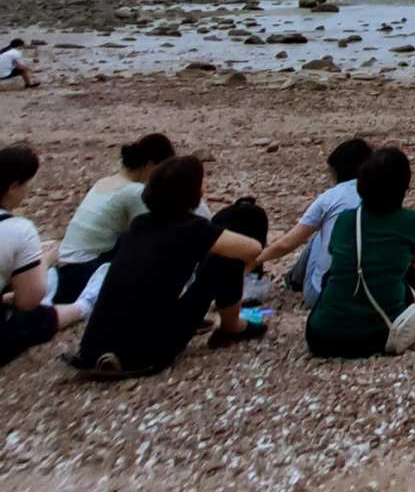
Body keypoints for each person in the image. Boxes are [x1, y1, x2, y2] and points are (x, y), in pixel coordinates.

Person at [69, 156, 267, 378]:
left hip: (92, 349)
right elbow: (251, 249)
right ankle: (232, 327)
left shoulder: (139, 224)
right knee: (223, 260)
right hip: (146, 353)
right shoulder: (193, 229)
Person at [305, 146, 415, 358]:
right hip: (380, 335)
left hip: (322, 337)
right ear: (405, 187)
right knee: (410, 267)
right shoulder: (411, 220)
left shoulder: (347, 219)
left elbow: (334, 253)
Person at [51, 133, 176, 304]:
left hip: (67, 266)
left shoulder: (105, 181)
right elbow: (152, 234)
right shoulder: (134, 191)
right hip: (85, 272)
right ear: (150, 166)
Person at [259, 137, 373, 305]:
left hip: (324, 296)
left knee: (321, 232)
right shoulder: (381, 195)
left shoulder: (331, 197)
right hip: (373, 293)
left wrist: (256, 259)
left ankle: (293, 279)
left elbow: (287, 244)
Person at [2, 145, 86, 366]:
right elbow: (29, 301)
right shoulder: (18, 228)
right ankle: (84, 306)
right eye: (26, 184)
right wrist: (44, 261)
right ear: (13, 187)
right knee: (36, 318)